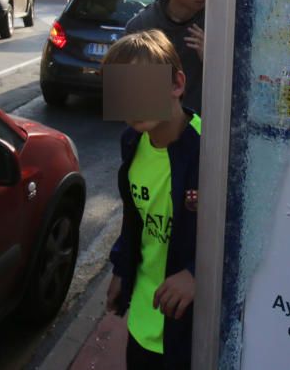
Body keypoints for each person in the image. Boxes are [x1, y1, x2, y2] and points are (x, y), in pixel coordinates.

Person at [103, 30, 200, 370]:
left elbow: (238, 229)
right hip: (144, 319)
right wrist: (120, 268)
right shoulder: (131, 142)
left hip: (189, 327)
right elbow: (134, 220)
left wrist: (197, 274)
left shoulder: (208, 150)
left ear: (176, 84)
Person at [125, 0, 206, 113]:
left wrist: (213, 61)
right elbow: (129, 102)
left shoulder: (218, 23)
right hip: (157, 135)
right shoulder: (139, 28)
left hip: (206, 135)